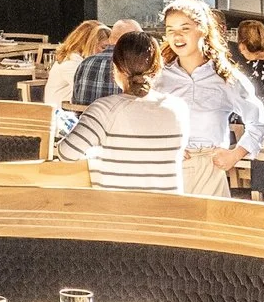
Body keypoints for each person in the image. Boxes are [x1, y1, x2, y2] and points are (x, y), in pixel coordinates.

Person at [154, 0, 264, 198]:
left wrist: (235, 155)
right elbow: (145, 121)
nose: (177, 36)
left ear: (203, 29)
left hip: (209, 171)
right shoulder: (158, 77)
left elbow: (261, 122)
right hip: (167, 170)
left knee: (209, 229)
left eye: (185, 29)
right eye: (170, 30)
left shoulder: (226, 78)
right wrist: (163, 144)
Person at [54, 31, 182, 191]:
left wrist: (96, 155)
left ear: (115, 69)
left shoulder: (103, 110)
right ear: (158, 68)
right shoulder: (178, 109)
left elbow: (66, 153)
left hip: (114, 212)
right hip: (167, 213)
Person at [64, 17, 144, 107]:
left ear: (110, 39)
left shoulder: (85, 63)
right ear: (134, 42)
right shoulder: (133, 65)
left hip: (86, 119)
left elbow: (76, 101)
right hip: (118, 119)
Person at [42, 20, 111, 110]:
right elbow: (90, 92)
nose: (107, 52)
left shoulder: (75, 59)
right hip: (62, 116)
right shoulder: (71, 62)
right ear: (87, 44)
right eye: (103, 47)